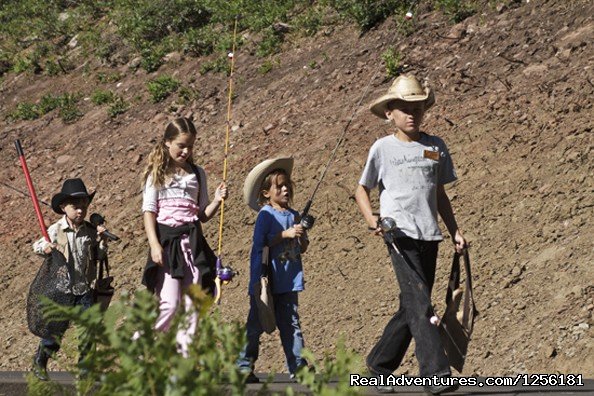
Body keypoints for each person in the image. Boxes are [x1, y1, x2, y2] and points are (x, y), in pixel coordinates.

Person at [355, 75, 467, 394]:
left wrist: (455, 231)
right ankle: (435, 372)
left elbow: (439, 193)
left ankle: (379, 364)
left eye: (417, 107)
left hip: (429, 235)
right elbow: (361, 189)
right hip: (398, 233)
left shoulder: (434, 148)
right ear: (390, 112)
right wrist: (371, 219)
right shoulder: (382, 149)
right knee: (420, 303)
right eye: (404, 108)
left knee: (413, 304)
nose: (411, 114)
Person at [141, 117, 227, 357]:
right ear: (168, 142)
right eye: (181, 145)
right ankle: (141, 345)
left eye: (190, 146)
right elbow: (149, 211)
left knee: (192, 305)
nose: (186, 151)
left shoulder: (197, 174)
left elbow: (202, 215)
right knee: (168, 304)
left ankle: (184, 357)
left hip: (193, 243)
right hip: (168, 243)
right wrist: (155, 245)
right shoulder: (157, 173)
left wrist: (217, 201)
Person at [237, 157, 310, 383]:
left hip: (289, 281)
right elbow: (260, 243)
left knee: (292, 325)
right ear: (266, 192)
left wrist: (301, 235)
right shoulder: (266, 215)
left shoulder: (294, 215)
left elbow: (302, 248)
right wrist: (284, 234)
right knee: (255, 326)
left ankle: (299, 369)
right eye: (279, 186)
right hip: (266, 281)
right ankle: (243, 367)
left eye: (287, 184)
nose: (286, 188)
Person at [31, 178, 108, 380]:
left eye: (84, 206)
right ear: (64, 207)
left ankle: (85, 369)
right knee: (54, 333)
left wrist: (102, 243)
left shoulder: (90, 231)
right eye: (75, 207)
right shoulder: (56, 229)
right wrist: (46, 248)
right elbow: (38, 245)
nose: (81, 211)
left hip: (83, 289)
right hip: (62, 290)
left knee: (88, 331)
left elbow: (98, 257)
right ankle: (40, 360)